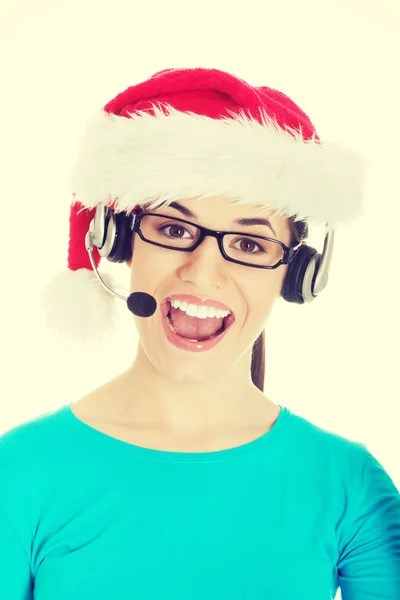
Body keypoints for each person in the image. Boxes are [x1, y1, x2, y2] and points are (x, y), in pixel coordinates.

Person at [1, 67, 399, 599]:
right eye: (174, 229)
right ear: (119, 242)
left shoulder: (350, 487)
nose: (203, 271)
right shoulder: (19, 473)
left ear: (296, 274)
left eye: (251, 244)